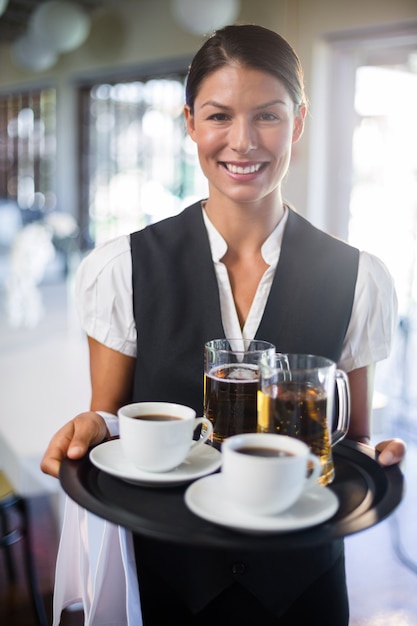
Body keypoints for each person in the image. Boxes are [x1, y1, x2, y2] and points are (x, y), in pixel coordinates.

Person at [41, 24, 406, 626]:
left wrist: (377, 454)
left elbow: (351, 440)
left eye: (267, 116)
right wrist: (89, 427)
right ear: (190, 123)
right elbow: (109, 420)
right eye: (218, 116)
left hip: (304, 586)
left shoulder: (360, 276)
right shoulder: (122, 268)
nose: (243, 142)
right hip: (168, 580)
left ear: (299, 122)